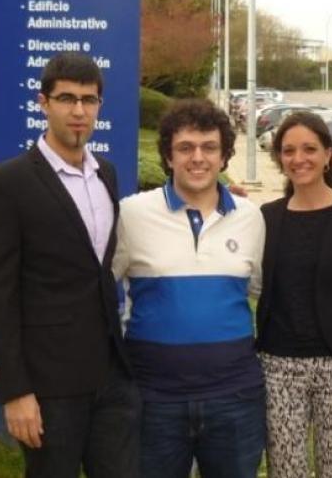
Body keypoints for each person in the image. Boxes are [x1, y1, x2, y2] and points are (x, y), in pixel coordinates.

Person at [0, 52, 140, 478]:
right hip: (49, 388)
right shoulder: (6, 184)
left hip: (111, 378)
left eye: (89, 99)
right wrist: (16, 393)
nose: (79, 111)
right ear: (43, 102)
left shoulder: (106, 173)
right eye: (67, 98)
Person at [112, 99, 266, 478]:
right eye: (185, 148)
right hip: (155, 399)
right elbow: (95, 292)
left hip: (234, 399)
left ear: (225, 156)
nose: (198, 158)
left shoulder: (251, 217)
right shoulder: (131, 214)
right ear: (168, 156)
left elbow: (262, 291)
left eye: (209, 147)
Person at [256, 111, 332, 478]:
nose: (298, 158)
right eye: (288, 151)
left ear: (328, 155)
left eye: (309, 149)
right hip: (278, 367)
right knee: (286, 470)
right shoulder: (268, 217)